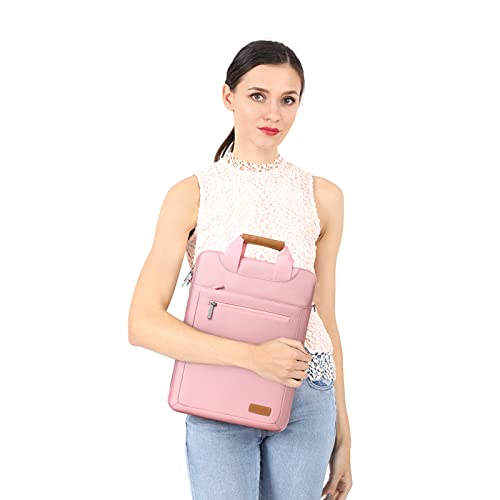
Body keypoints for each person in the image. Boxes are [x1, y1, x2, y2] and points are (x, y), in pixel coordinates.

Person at [128, 39, 352, 500]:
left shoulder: (324, 197)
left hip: (306, 395)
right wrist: (253, 358)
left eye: (288, 100)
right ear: (228, 97)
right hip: (217, 393)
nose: (273, 113)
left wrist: (344, 432)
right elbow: (142, 323)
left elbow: (325, 318)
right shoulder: (191, 194)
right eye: (257, 95)